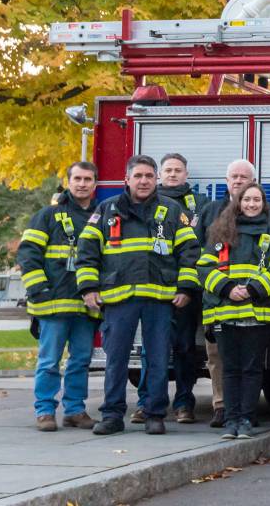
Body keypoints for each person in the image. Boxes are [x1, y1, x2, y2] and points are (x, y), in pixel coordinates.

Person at [75, 154, 200, 435]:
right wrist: (89, 288)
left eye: (148, 176)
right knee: (116, 360)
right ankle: (112, 415)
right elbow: (86, 252)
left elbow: (190, 253)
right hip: (118, 299)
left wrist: (186, 289)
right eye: (138, 176)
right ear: (127, 180)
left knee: (157, 358)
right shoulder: (106, 211)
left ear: (156, 179)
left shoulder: (171, 211)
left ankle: (155, 414)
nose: (144, 181)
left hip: (160, 299)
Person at [199, 182, 270, 441]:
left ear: (264, 204)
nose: (251, 204)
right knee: (230, 369)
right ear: (237, 203)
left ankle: (247, 420)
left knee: (251, 370)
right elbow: (204, 267)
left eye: (256, 200)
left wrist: (253, 290)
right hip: (225, 312)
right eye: (247, 199)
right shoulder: (220, 233)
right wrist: (227, 288)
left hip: (259, 313)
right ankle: (231, 420)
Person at [21, 160, 100, 432]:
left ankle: (75, 410)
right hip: (51, 302)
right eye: (77, 179)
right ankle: (44, 411)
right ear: (68, 182)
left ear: (95, 184)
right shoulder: (47, 215)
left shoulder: (99, 217)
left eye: (87, 179)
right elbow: (28, 254)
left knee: (81, 360)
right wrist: (38, 290)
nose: (82, 184)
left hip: (85, 304)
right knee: (49, 360)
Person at [193, 158, 257, 429]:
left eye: (244, 177)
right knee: (217, 355)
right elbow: (194, 251)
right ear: (227, 180)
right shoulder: (210, 212)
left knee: (250, 360)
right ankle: (221, 405)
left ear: (252, 182)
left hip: (254, 300)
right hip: (217, 297)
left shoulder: (263, 212)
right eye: (234, 176)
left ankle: (244, 409)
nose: (239, 181)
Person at [157, 153, 206, 424]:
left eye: (178, 170)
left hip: (186, 291)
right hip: (154, 289)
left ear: (186, 175)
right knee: (153, 350)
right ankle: (149, 402)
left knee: (186, 348)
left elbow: (199, 247)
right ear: (159, 175)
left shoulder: (198, 204)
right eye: (168, 170)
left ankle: (184, 403)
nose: (173, 174)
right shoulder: (149, 204)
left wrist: (187, 287)